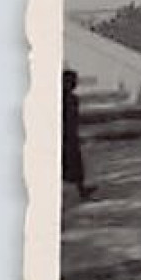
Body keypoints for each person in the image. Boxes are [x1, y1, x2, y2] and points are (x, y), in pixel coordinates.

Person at [61, 69, 92, 201]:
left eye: (75, 81)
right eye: (70, 81)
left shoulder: (73, 98)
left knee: (76, 165)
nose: (74, 84)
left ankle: (82, 189)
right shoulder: (61, 99)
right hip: (64, 135)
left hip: (71, 135)